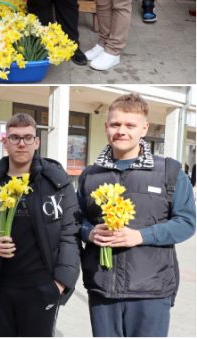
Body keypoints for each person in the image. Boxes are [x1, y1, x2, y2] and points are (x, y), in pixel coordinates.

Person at [77, 93, 196, 337]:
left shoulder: (169, 172)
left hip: (151, 291)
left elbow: (186, 222)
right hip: (102, 288)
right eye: (115, 124)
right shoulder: (90, 175)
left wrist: (141, 236)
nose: (121, 131)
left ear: (144, 128)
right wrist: (89, 233)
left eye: (130, 125)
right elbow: (76, 220)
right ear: (106, 126)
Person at [0, 113, 80, 337]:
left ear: (37, 142)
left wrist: (60, 283)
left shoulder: (56, 182)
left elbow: (70, 233)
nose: (21, 143)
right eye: (14, 137)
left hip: (42, 287)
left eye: (28, 137)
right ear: (4, 142)